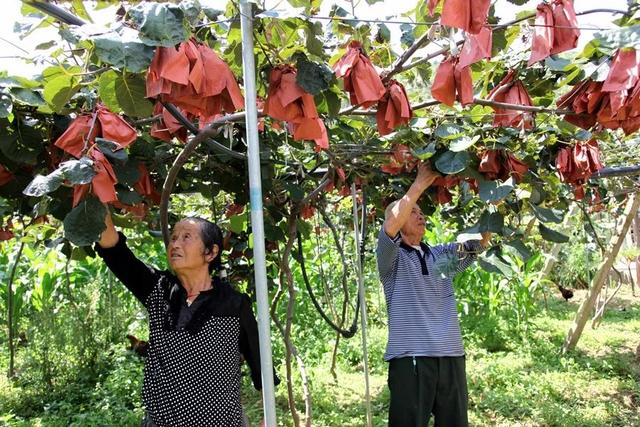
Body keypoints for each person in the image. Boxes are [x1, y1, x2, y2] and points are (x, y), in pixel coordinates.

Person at [96, 210, 276, 427]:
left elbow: (261, 364)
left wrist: (268, 417)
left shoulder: (233, 304)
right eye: (173, 238)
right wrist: (96, 189)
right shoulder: (158, 291)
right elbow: (114, 250)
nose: (175, 244)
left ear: (210, 253)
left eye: (186, 237)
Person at [376, 162, 491, 427]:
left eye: (420, 211)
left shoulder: (439, 257)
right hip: (411, 358)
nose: (420, 215)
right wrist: (419, 184)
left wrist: (490, 195)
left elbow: (481, 243)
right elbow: (390, 225)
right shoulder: (390, 260)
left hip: (451, 355)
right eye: (411, 211)